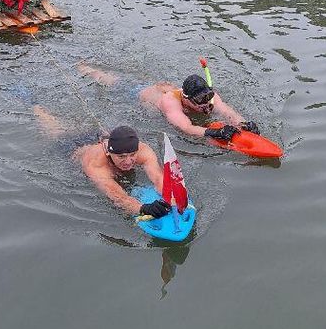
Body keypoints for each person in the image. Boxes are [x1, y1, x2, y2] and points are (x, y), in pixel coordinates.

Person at [76, 65, 259, 142]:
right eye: (199, 102)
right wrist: (216, 132)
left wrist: (243, 124)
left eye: (207, 99)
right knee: (110, 81)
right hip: (136, 93)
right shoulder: (171, 102)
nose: (206, 106)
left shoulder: (209, 97)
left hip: (163, 88)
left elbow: (229, 113)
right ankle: (86, 69)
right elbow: (186, 128)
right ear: (186, 99)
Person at [75, 126, 170, 218]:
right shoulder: (96, 164)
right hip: (75, 145)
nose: (128, 162)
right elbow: (116, 195)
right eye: (121, 156)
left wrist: (170, 198)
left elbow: (158, 177)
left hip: (103, 138)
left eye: (132, 155)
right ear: (109, 152)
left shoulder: (144, 151)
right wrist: (143, 209)